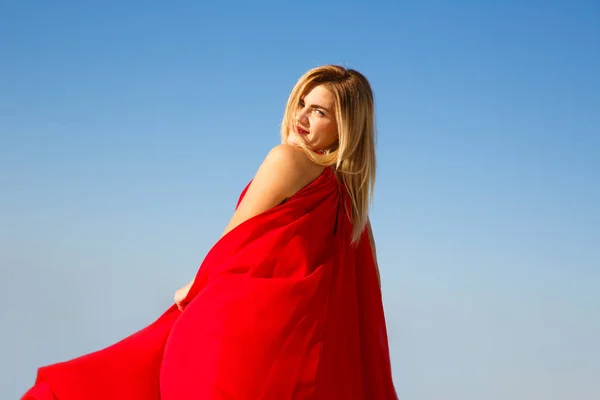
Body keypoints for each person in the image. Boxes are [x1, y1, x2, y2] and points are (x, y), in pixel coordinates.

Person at [22, 65, 398, 399]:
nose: (302, 116)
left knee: (104, 381)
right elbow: (365, 298)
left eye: (319, 112)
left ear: (345, 127)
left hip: (233, 332)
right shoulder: (351, 207)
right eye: (302, 103)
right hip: (291, 350)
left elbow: (235, 238)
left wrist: (194, 287)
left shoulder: (288, 159)